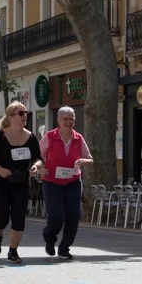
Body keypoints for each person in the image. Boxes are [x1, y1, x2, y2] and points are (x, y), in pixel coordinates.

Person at [0, 101, 43, 265]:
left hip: (21, 182)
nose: (25, 116)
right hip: (0, 182)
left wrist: (36, 167)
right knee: (0, 217)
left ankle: (13, 251)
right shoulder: (0, 136)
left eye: (26, 113)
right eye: (21, 113)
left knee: (18, 217)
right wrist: (1, 170)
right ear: (10, 117)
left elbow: (38, 158)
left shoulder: (30, 137)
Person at [38, 106, 93, 260]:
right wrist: (40, 168)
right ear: (59, 121)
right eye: (65, 119)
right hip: (52, 182)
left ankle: (64, 248)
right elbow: (37, 156)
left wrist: (83, 161)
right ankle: (49, 235)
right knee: (56, 216)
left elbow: (90, 158)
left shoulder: (78, 138)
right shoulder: (49, 137)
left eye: (71, 119)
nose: (69, 122)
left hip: (73, 182)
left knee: (73, 216)